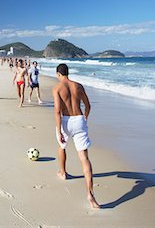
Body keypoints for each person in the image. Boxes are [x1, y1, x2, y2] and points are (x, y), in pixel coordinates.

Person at [52, 63, 100, 208]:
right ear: (68, 73)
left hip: (66, 121)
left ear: (58, 74)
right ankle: (90, 193)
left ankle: (63, 172)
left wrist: (59, 130)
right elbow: (88, 105)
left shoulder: (57, 88)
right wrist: (85, 118)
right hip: (79, 120)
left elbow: (57, 111)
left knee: (62, 146)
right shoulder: (78, 86)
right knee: (84, 158)